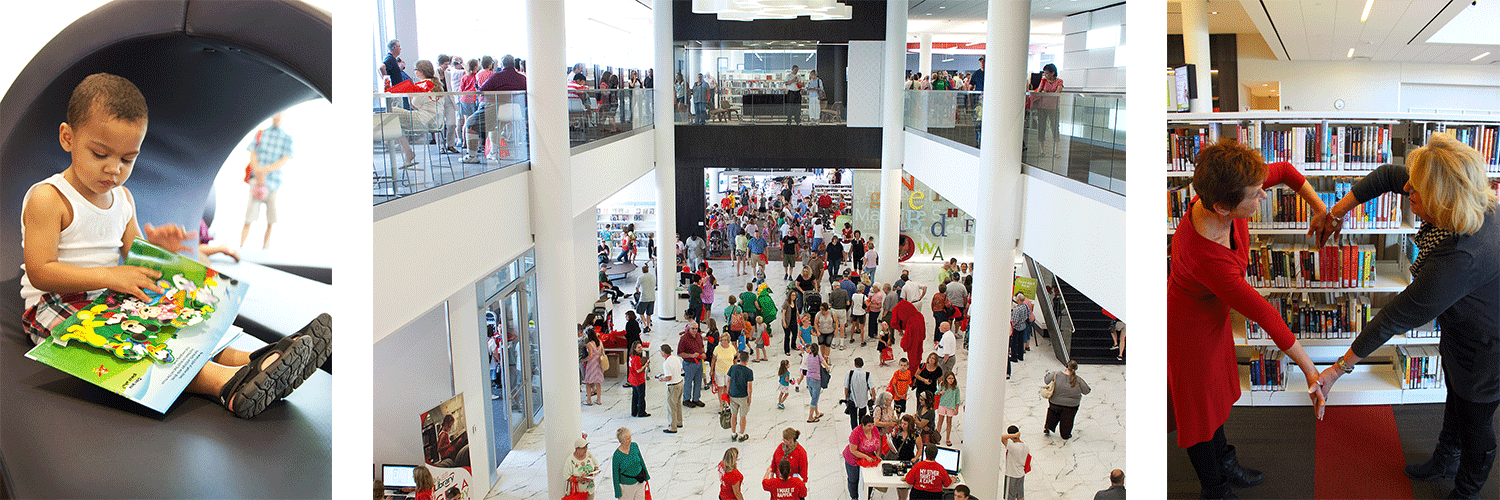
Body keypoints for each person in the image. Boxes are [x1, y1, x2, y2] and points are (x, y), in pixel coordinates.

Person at [18, 73, 329, 419]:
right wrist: (113, 275)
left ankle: (260, 360)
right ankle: (226, 384)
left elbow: (132, 254)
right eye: (100, 153)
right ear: (68, 138)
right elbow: (41, 271)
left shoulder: (122, 198)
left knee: (171, 317)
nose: (114, 169)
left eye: (127, 159)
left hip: (108, 294)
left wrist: (154, 246)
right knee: (133, 342)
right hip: (56, 305)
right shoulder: (49, 198)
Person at [1309, 135, 1499, 498]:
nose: (1407, 189)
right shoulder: (1462, 200)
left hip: (1489, 347)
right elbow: (1384, 176)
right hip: (1464, 325)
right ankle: (1446, 458)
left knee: (1476, 418)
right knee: (1456, 396)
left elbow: (1394, 317)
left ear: (1442, 200)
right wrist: (1335, 213)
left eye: (1416, 191)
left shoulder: (1459, 259)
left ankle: (1467, 490)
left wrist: (1337, 370)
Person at [1169, 140, 1330, 499]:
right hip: (1188, 330)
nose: (1264, 198)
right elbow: (1267, 316)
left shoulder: (1227, 189)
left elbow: (1286, 171)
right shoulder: (1206, 257)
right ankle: (1214, 488)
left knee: (1218, 398)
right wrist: (1310, 371)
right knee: (1200, 416)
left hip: (1211, 317)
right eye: (1256, 196)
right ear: (1224, 207)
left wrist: (1321, 210)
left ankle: (1225, 462)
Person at [240, 112, 292, 249]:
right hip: (256, 182)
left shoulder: (287, 138)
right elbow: (252, 153)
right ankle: (241, 246)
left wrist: (265, 170)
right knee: (249, 216)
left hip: (274, 183)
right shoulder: (261, 134)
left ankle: (265, 248)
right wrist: (258, 172)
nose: (278, 116)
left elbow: (284, 160)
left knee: (271, 219)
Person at [463, 54, 527, 164]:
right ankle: (493, 152)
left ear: (502, 65)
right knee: (495, 127)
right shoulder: (522, 78)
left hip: (494, 107)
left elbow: (482, 89)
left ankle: (472, 155)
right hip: (516, 111)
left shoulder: (498, 76)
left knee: (470, 123)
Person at [1043, 360, 1091, 441]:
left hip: (1055, 402)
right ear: (1075, 369)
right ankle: (1065, 434)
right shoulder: (1078, 380)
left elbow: (1046, 380)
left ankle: (1048, 427)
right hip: (1071, 405)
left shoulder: (1056, 374)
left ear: (1066, 366)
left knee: (1052, 413)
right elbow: (1086, 391)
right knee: (1068, 419)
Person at [843, 415, 884, 499]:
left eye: (872, 425)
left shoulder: (874, 429)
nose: (871, 427)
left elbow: (878, 441)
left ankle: (866, 496)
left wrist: (878, 454)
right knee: (854, 479)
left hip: (869, 458)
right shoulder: (856, 432)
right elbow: (853, 450)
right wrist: (866, 456)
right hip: (854, 459)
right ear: (863, 425)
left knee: (869, 479)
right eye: (869, 426)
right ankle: (854, 497)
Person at [1030, 63, 1064, 157]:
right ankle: (1041, 150)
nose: (1046, 75)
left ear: (1053, 73)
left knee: (1055, 128)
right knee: (1041, 128)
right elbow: (1039, 91)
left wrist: (1046, 92)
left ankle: (1056, 151)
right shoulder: (1043, 81)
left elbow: (1057, 93)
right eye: (1045, 73)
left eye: (1047, 73)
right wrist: (1045, 92)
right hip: (1042, 107)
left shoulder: (1059, 81)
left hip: (1053, 108)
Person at [611, 428, 649, 499]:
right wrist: (618, 492)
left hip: (639, 481)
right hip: (626, 486)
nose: (630, 440)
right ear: (621, 441)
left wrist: (646, 476)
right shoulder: (617, 455)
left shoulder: (634, 446)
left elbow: (641, 461)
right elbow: (615, 474)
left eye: (630, 437)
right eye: (627, 439)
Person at [890, 297, 927, 370]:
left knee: (913, 353)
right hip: (919, 335)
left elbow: (908, 341)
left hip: (913, 334)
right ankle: (917, 366)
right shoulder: (919, 315)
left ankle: (913, 369)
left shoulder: (910, 321)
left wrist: (903, 344)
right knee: (918, 351)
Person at [678, 322, 707, 408]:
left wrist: (703, 353)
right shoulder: (684, 338)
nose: (694, 330)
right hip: (689, 364)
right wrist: (691, 355)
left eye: (696, 329)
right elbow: (680, 353)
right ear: (689, 329)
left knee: (698, 381)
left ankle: (696, 399)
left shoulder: (698, 336)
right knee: (688, 382)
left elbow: (702, 347)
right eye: (693, 329)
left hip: (699, 363)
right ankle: (686, 399)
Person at [727, 352, 754, 441]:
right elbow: (749, 387)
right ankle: (742, 435)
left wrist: (728, 392)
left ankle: (733, 434)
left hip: (733, 395)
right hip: (743, 396)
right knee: (743, 416)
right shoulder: (749, 372)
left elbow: (728, 381)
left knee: (733, 415)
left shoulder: (733, 367)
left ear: (739, 358)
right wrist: (749, 398)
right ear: (747, 360)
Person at [657, 345, 684, 433]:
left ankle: (672, 427)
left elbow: (668, 377)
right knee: (678, 404)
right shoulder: (676, 358)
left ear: (664, 353)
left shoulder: (666, 363)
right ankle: (679, 422)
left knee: (671, 407)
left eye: (660, 351)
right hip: (680, 383)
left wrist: (661, 379)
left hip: (673, 386)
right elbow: (681, 368)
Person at [844, 357, 875, 429]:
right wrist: (873, 398)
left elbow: (846, 387)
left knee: (853, 419)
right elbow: (872, 388)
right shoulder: (867, 375)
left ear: (855, 364)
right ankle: (861, 433)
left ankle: (855, 434)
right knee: (862, 419)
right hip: (863, 401)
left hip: (852, 400)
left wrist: (846, 398)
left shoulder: (850, 373)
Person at [801, 343, 828, 422]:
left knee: (813, 397)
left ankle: (817, 413)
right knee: (814, 399)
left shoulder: (808, 356)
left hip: (808, 379)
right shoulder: (818, 356)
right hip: (816, 380)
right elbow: (825, 364)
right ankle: (810, 417)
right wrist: (827, 367)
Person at [935, 371, 963, 446]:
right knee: (940, 422)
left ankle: (947, 438)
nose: (951, 380)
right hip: (942, 405)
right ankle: (937, 438)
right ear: (946, 379)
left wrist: (956, 409)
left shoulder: (956, 388)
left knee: (949, 422)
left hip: (951, 407)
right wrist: (940, 392)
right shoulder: (942, 384)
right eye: (949, 378)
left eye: (952, 378)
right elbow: (936, 392)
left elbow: (957, 399)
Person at [1002, 426, 1029, 500]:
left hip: (1011, 475)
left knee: (1009, 496)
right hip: (1021, 474)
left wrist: (1013, 436)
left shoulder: (1013, 447)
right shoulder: (1025, 445)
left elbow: (1003, 438)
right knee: (1020, 495)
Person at [582, 328, 604, 406]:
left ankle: (589, 400)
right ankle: (599, 400)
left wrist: (584, 360)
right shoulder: (600, 343)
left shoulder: (589, 344)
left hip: (591, 365)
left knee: (588, 382)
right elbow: (602, 353)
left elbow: (590, 356)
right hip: (598, 364)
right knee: (597, 382)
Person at [627, 341, 650, 418]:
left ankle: (634, 412)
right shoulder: (636, 358)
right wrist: (645, 365)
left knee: (635, 396)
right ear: (634, 348)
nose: (641, 349)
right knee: (641, 396)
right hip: (638, 380)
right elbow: (638, 370)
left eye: (641, 347)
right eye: (638, 347)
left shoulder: (631, 356)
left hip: (632, 379)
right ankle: (641, 412)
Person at [828, 280, 851, 349]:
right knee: (842, 327)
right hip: (842, 310)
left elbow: (830, 304)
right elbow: (848, 303)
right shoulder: (844, 292)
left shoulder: (832, 293)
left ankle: (834, 343)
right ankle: (842, 344)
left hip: (834, 311)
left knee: (834, 327)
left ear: (834, 286)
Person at [1009, 295, 1029, 364]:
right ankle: (1020, 356)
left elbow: (1015, 321)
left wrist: (1012, 324)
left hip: (1017, 328)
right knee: (1021, 342)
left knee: (1014, 343)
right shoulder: (1026, 307)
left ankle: (1014, 357)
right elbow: (1028, 315)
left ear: (1018, 300)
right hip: (1023, 326)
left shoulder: (1017, 309)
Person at [635, 263, 655, 332]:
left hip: (644, 297)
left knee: (640, 312)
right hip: (652, 297)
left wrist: (638, 291)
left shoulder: (641, 277)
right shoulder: (652, 276)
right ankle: (648, 325)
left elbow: (637, 287)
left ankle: (644, 324)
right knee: (649, 313)